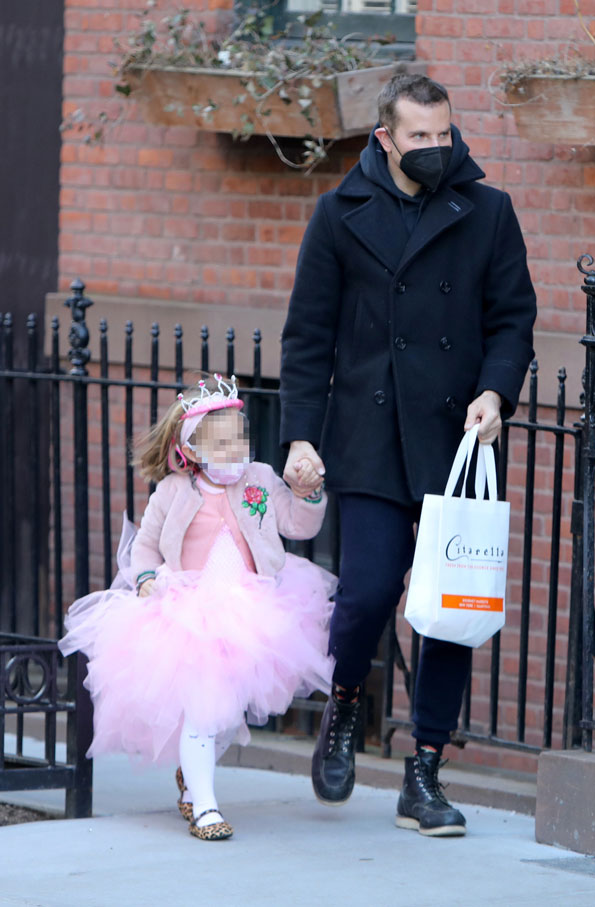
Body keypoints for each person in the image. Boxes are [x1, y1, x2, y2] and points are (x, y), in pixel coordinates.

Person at [279, 73, 536, 837]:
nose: (435, 148)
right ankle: (347, 697)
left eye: (443, 133)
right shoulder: (338, 214)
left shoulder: (488, 213)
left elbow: (513, 319)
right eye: (418, 136)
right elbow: (306, 336)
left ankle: (423, 771)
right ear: (385, 139)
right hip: (369, 435)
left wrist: (496, 392)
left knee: (449, 611)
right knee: (363, 595)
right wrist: (299, 434)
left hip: (458, 441)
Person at [59, 374, 335, 841]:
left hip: (251, 610)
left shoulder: (260, 479)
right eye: (222, 444)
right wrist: (145, 580)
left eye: (239, 438)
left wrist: (308, 494)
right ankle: (206, 806)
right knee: (203, 709)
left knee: (224, 713)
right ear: (194, 449)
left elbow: (296, 524)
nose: (235, 451)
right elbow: (145, 547)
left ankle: (191, 784)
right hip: (188, 612)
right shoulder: (174, 490)